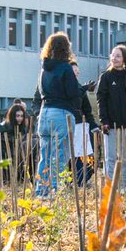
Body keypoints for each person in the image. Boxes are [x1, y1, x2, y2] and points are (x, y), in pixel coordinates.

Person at [33, 32, 84, 197]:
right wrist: (83, 89)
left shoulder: (44, 69)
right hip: (61, 113)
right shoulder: (66, 68)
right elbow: (72, 92)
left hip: (44, 113)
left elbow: (40, 91)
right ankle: (55, 192)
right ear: (66, 48)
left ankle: (41, 191)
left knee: (45, 155)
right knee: (60, 155)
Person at [97, 45, 126, 189]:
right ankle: (110, 187)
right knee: (110, 157)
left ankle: (124, 186)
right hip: (110, 124)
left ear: (124, 59)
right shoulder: (106, 77)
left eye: (118, 56)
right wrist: (104, 120)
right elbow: (101, 100)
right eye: (112, 55)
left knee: (125, 158)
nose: (114, 58)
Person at [0, 103, 32, 184]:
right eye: (17, 116)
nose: (20, 118)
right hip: (0, 157)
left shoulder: (21, 128)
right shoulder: (2, 127)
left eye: (21, 116)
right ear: (12, 116)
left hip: (12, 159)